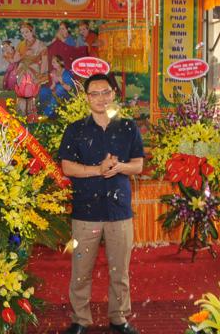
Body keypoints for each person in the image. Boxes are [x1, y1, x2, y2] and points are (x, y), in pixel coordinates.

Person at [58, 73, 144, 334]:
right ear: (87, 98)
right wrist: (98, 169)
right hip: (86, 211)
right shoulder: (75, 129)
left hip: (120, 211)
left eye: (105, 92)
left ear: (113, 94)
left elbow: (138, 165)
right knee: (81, 270)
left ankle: (119, 318)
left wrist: (119, 167)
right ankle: (80, 320)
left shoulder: (128, 127)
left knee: (120, 270)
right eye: (94, 93)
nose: (100, 98)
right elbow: (67, 167)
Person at [15, 22, 48, 120]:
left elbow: (44, 60)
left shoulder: (40, 45)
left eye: (26, 32)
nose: (25, 34)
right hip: (22, 70)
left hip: (34, 70)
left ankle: (32, 115)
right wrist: (23, 55)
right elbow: (15, 58)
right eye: (22, 33)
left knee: (32, 92)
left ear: (32, 31)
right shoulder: (21, 44)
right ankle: (21, 114)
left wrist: (41, 74)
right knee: (21, 92)